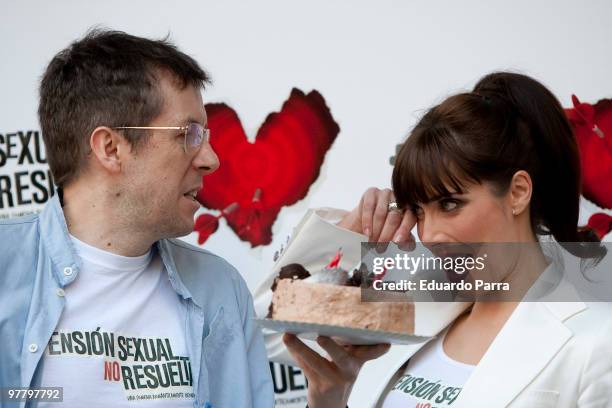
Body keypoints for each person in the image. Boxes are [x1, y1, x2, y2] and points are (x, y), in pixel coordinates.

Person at [272, 72, 612, 407]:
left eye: (449, 204)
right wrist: (329, 401)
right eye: (418, 211)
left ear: (518, 193)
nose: (430, 235)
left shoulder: (596, 345)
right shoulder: (416, 309)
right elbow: (271, 330)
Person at [0, 29, 276, 408]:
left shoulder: (221, 289)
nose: (211, 159)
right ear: (111, 148)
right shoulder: (5, 266)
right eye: (189, 134)